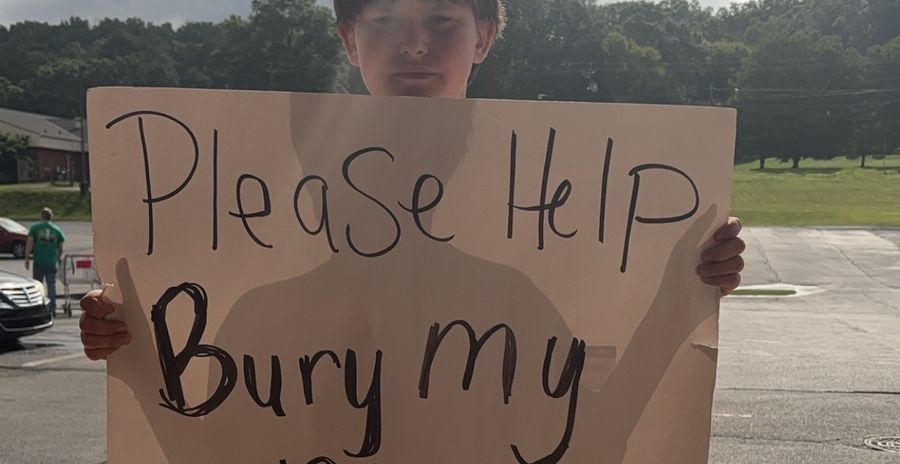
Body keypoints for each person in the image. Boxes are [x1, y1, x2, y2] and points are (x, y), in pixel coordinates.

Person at [78, 0, 744, 360]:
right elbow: (214, 420)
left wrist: (688, 284)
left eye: (441, 20)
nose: (415, 43)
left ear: (484, 34)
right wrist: (128, 344)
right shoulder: (268, 234)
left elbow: (591, 407)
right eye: (387, 19)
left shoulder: (548, 216)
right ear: (349, 38)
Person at [25, 207, 65, 313]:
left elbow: (29, 243)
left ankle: (39, 305)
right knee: (51, 284)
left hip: (39, 260)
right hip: (51, 261)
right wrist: (58, 258)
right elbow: (61, 247)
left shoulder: (35, 228)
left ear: (41, 216)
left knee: (38, 285)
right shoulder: (56, 230)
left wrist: (27, 257)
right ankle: (52, 306)